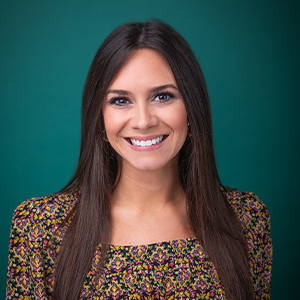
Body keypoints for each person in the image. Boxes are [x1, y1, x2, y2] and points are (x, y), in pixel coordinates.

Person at [6, 21, 272, 300]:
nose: (143, 121)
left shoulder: (246, 218)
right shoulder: (39, 227)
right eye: (121, 101)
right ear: (100, 118)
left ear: (192, 109)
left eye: (163, 96)